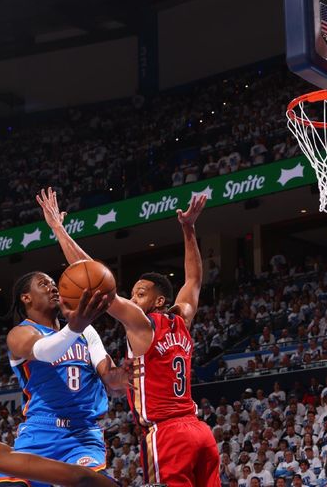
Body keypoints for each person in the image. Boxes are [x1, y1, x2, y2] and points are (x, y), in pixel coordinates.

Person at [38, 187, 219, 486]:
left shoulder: (143, 325)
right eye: (132, 293)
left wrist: (58, 229)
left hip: (168, 435)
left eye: (140, 294)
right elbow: (194, 279)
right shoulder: (182, 318)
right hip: (200, 432)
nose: (132, 299)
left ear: (159, 301)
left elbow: (92, 278)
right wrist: (189, 229)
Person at [0, 268, 131, 486]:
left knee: (90, 483)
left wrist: (124, 378)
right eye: (44, 284)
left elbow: (111, 380)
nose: (53, 287)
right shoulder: (20, 334)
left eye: (53, 283)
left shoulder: (86, 332)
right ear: (26, 297)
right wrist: (75, 328)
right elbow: (46, 351)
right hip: (40, 432)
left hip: (82, 434)